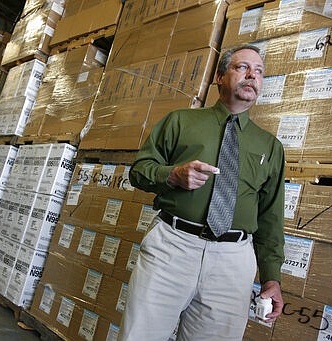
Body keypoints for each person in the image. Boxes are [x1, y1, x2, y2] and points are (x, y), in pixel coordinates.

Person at [119, 45, 285, 341]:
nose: (252, 76)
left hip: (233, 263)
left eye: (258, 72)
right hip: (172, 247)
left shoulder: (270, 147)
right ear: (220, 77)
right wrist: (171, 175)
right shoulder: (180, 121)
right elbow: (139, 171)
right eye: (242, 68)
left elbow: (271, 217)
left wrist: (272, 278)